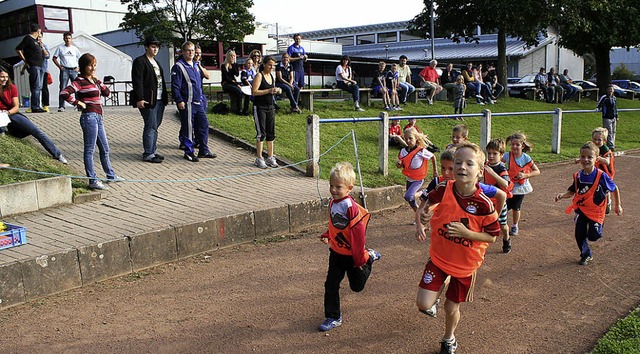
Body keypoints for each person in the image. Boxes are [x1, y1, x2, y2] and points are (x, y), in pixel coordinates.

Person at [415, 142, 502, 354]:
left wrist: (467, 234)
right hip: (439, 258)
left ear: (480, 172)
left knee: (450, 306)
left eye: (469, 163)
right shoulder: (444, 188)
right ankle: (440, 285)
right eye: (458, 162)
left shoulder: (483, 203)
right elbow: (427, 206)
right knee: (424, 304)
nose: (462, 167)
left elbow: (491, 237)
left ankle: (449, 338)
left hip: (465, 265)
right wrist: (425, 216)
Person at [318, 161, 381, 332]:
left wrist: (360, 257)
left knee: (357, 287)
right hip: (336, 253)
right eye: (331, 186)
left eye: (338, 187)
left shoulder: (350, 207)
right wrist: (327, 235)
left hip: (353, 254)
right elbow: (335, 225)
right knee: (331, 284)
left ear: (349, 188)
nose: (333, 190)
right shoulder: (332, 203)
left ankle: (370, 258)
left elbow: (358, 235)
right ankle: (333, 316)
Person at [60, 53, 123, 190]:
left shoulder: (93, 80)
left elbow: (107, 93)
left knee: (105, 148)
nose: (93, 68)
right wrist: (78, 103)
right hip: (89, 117)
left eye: (94, 65)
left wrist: (98, 81)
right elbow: (64, 93)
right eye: (90, 65)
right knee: (89, 150)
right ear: (83, 66)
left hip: (99, 118)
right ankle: (92, 179)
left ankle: (110, 175)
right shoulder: (80, 81)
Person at [555, 141, 622, 265]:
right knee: (579, 234)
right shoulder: (578, 176)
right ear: (579, 158)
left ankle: (596, 227)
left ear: (596, 159)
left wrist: (618, 205)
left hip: (597, 211)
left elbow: (615, 188)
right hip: (582, 209)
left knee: (594, 236)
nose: (585, 159)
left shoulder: (601, 176)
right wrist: (562, 195)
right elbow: (572, 191)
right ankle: (586, 254)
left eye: (589, 157)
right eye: (583, 156)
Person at [0, 67, 67, 164]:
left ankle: (57, 154)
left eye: (6, 77)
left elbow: (16, 107)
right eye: (2, 77)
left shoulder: (12, 87)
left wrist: (7, 113)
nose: (5, 79)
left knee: (36, 131)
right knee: (2, 133)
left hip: (11, 113)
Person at [172, 41, 216, 162]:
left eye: (193, 50)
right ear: (183, 52)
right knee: (188, 128)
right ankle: (189, 152)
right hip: (187, 102)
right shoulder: (179, 66)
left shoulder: (196, 66)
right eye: (188, 50)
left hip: (198, 102)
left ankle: (203, 150)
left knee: (203, 125)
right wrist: (179, 100)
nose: (191, 53)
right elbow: (175, 86)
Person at [131, 35, 168, 163]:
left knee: (155, 125)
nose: (155, 49)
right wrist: (140, 98)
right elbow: (137, 81)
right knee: (150, 125)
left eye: (157, 47)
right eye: (153, 47)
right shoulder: (140, 61)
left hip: (159, 99)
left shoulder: (156, 63)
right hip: (148, 100)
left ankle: (152, 150)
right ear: (146, 47)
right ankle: (148, 153)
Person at [502, 132, 540, 237]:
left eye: (517, 145)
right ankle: (501, 223)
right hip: (508, 185)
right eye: (513, 144)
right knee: (503, 205)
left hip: (520, 187)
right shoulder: (507, 156)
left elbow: (537, 171)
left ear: (522, 146)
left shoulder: (526, 158)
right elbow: (498, 162)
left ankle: (515, 225)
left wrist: (525, 175)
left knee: (516, 207)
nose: (514, 147)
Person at [396, 127, 438, 217]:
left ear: (416, 138)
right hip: (409, 178)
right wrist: (399, 164)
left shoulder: (421, 151)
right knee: (410, 199)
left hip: (418, 179)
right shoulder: (403, 151)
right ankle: (419, 215)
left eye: (410, 138)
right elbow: (401, 164)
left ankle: (422, 193)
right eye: (406, 139)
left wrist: (435, 171)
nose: (408, 141)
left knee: (408, 196)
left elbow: (433, 157)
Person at [484, 138, 514, 253]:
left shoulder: (501, 168)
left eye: (494, 154)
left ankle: (506, 238)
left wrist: (492, 173)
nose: (491, 156)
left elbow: (506, 184)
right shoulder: (486, 164)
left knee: (502, 225)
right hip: (487, 200)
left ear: (501, 155)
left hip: (499, 201)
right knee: (483, 222)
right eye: (489, 153)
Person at [251, 56, 281, 169]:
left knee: (271, 132)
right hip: (260, 107)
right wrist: (268, 90)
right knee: (261, 133)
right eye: (269, 65)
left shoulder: (271, 76)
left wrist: (276, 91)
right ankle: (259, 157)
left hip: (270, 106)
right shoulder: (259, 75)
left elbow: (272, 90)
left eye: (273, 65)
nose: (271, 67)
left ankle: (270, 156)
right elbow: (254, 92)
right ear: (264, 64)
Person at [15, 23, 47, 113]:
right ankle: (35, 106)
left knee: (39, 86)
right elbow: (18, 49)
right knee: (36, 86)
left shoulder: (37, 41)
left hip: (40, 65)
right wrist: (25, 61)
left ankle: (37, 105)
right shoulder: (28, 38)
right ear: (38, 31)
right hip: (34, 65)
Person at [52, 31, 81, 112]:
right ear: (64, 39)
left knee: (76, 88)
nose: (68, 40)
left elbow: (81, 58)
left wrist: (79, 68)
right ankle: (61, 106)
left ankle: (78, 105)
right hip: (65, 70)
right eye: (66, 38)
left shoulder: (75, 49)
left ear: (71, 39)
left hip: (74, 70)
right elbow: (54, 58)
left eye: (69, 38)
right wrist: (59, 66)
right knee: (63, 88)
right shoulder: (60, 48)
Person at [221, 50, 250, 115]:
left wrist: (233, 64)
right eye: (231, 56)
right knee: (238, 92)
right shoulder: (224, 65)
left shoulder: (235, 65)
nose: (232, 57)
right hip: (226, 84)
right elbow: (227, 78)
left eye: (234, 56)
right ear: (228, 57)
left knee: (246, 91)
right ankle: (239, 110)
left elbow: (236, 74)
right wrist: (236, 84)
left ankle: (245, 110)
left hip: (234, 83)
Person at [596, 85, 618, 150]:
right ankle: (610, 145)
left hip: (613, 117)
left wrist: (616, 116)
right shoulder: (605, 97)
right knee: (609, 131)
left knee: (614, 131)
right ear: (607, 90)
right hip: (607, 117)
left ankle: (612, 144)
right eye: (609, 89)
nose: (610, 91)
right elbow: (599, 104)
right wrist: (598, 108)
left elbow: (615, 108)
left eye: (611, 89)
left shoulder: (614, 98)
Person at [38, 34, 51, 112]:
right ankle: (36, 104)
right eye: (37, 37)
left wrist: (42, 47)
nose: (38, 38)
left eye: (40, 37)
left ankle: (45, 105)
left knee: (44, 87)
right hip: (36, 69)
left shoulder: (45, 46)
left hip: (44, 69)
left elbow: (47, 56)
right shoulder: (33, 46)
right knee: (35, 88)